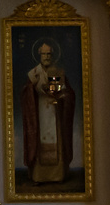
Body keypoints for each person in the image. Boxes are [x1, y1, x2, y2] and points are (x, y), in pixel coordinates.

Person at [18, 39, 77, 190]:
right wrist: (31, 89)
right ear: (39, 56)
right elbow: (26, 94)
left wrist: (62, 94)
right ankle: (39, 176)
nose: (46, 57)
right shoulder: (34, 74)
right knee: (39, 140)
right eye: (44, 54)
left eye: (49, 54)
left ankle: (57, 175)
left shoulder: (57, 72)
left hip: (54, 113)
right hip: (39, 113)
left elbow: (67, 92)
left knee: (57, 140)